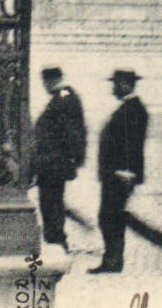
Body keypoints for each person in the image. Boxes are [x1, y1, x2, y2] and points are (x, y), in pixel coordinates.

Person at [91, 69, 150, 274]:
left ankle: (113, 260)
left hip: (120, 174)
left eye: (115, 84)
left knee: (110, 216)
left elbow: (132, 144)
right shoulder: (129, 108)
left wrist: (127, 170)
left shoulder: (134, 110)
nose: (113, 89)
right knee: (110, 216)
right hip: (115, 173)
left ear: (125, 84)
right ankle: (112, 259)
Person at [33, 66, 87, 252]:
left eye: (45, 82)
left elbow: (72, 133)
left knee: (51, 203)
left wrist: (71, 159)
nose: (44, 86)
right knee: (53, 203)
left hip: (54, 163)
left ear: (50, 81)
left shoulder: (64, 99)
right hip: (54, 163)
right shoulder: (63, 98)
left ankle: (56, 241)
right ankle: (56, 239)